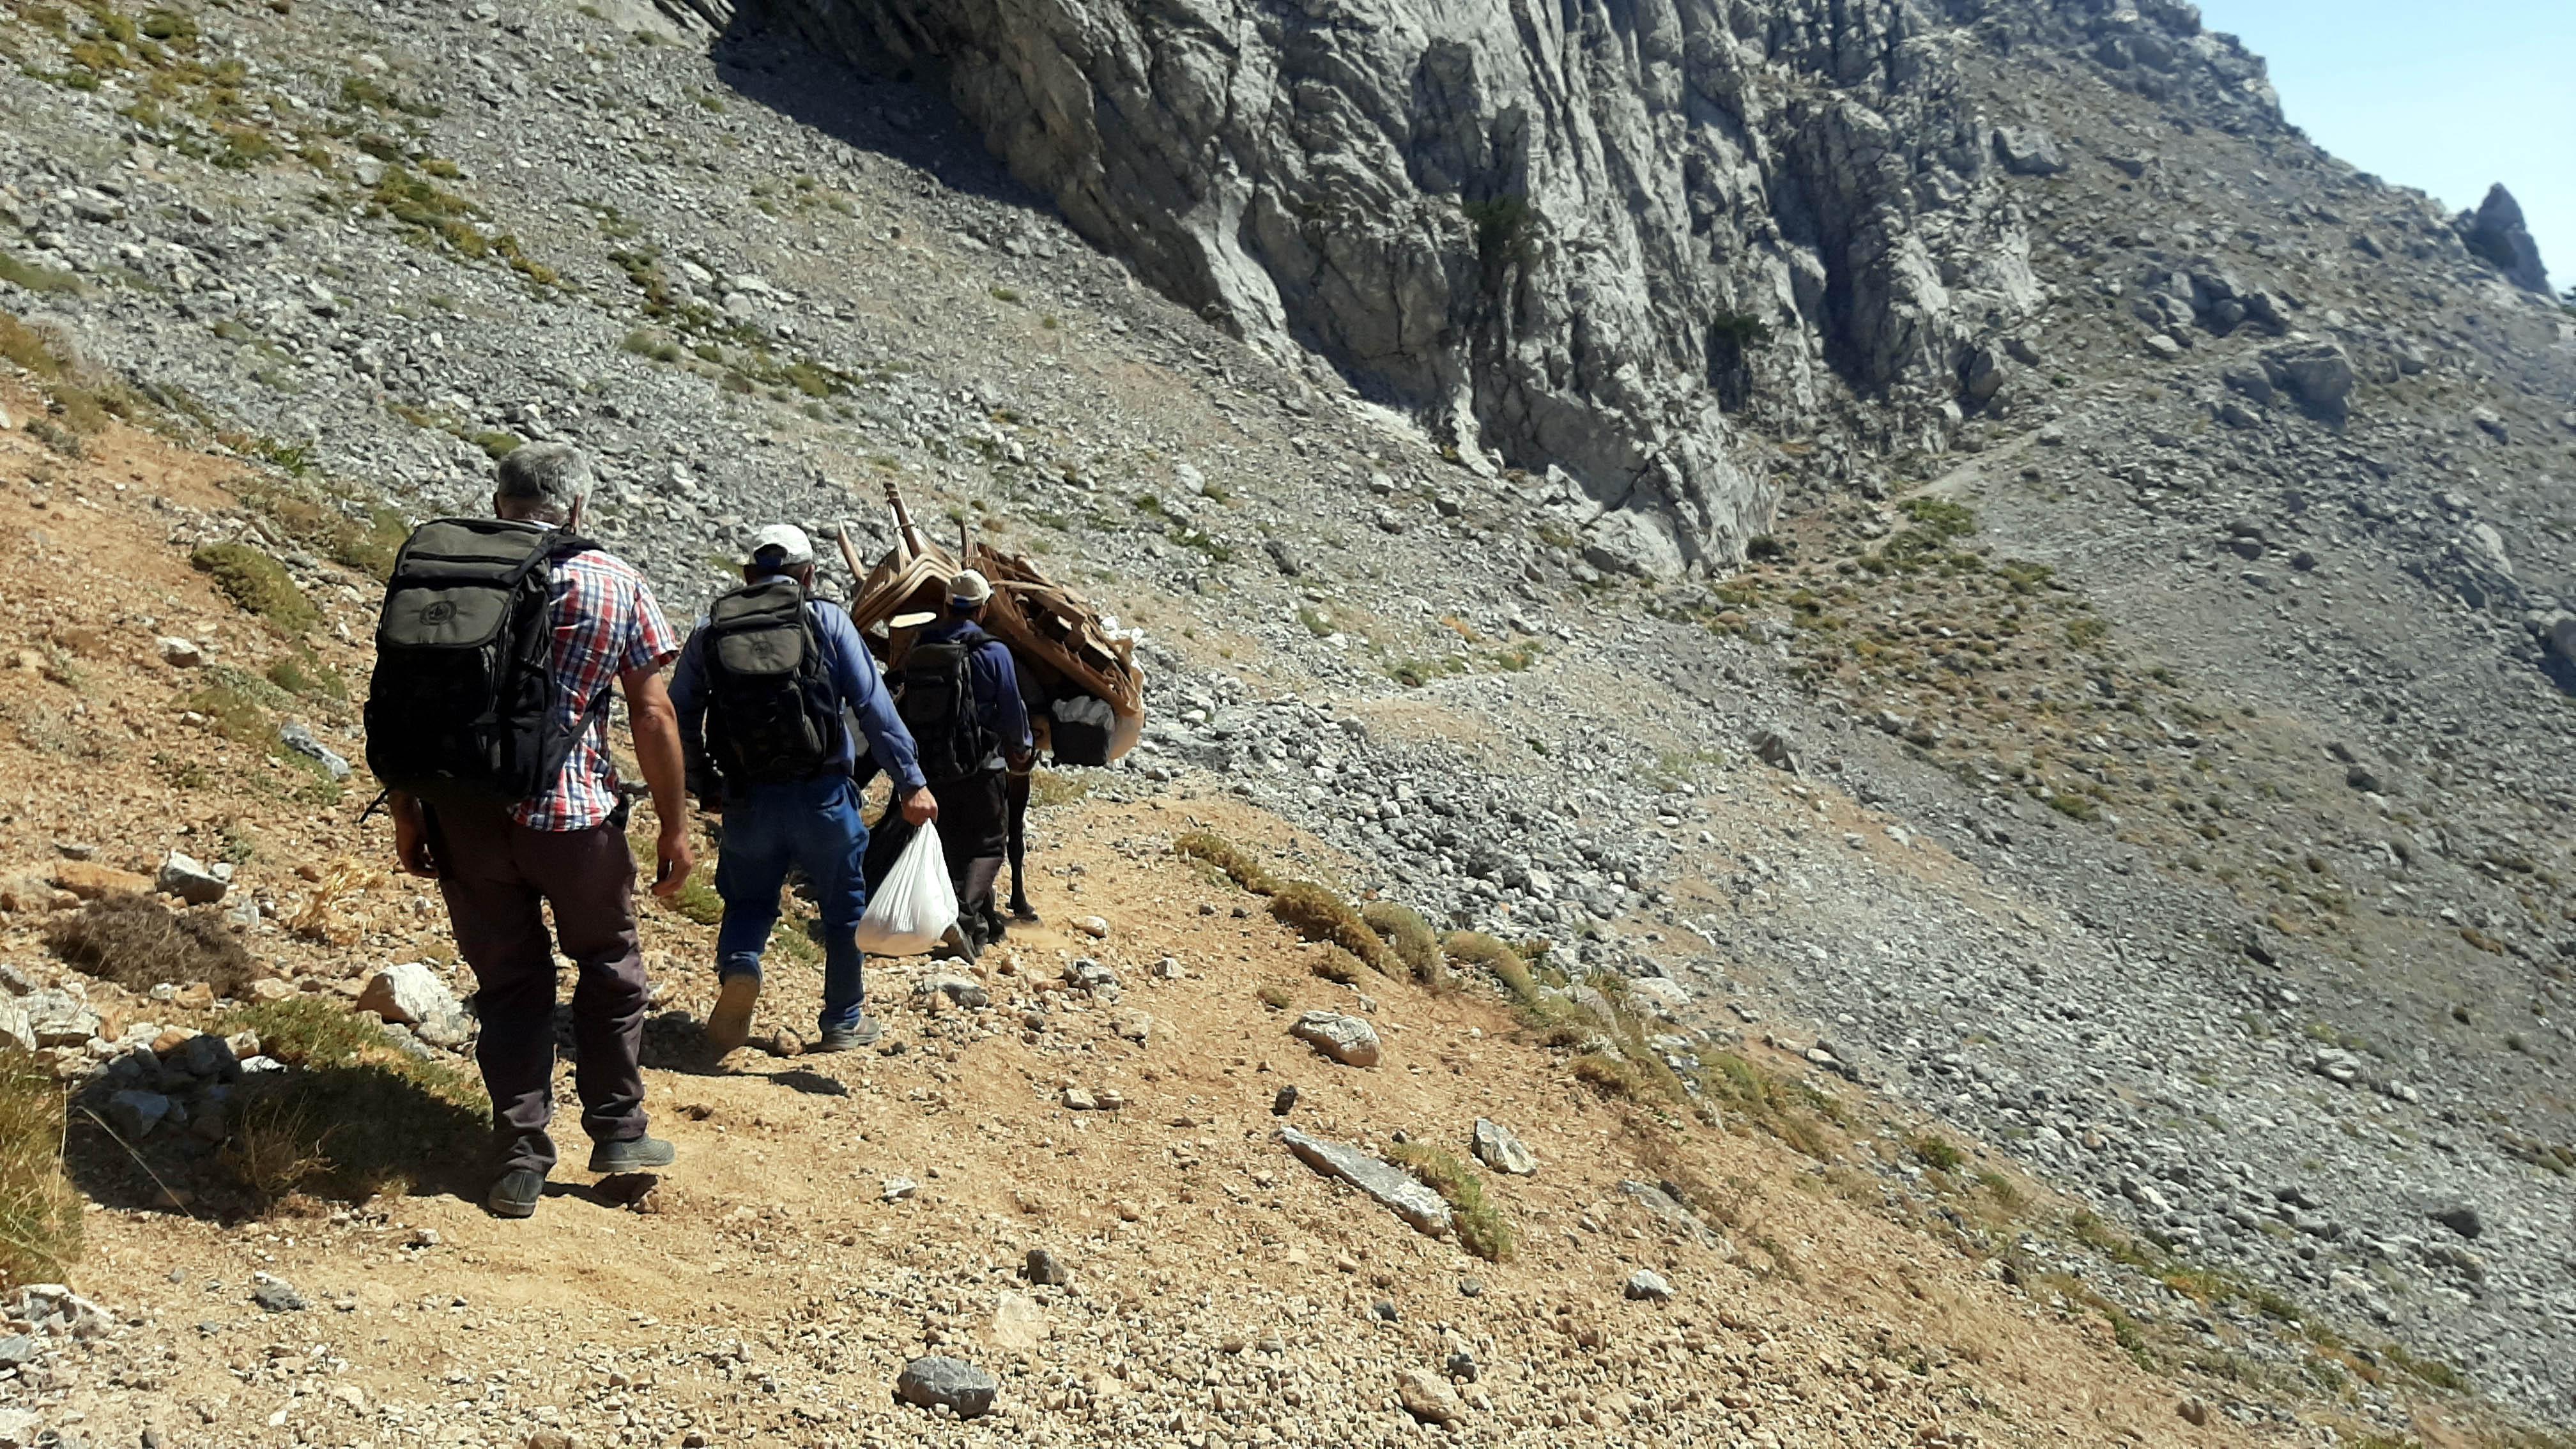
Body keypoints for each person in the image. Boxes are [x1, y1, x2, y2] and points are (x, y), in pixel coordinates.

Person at [383, 443, 692, 1220]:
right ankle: (618, 1133)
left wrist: (408, 812)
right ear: (580, 509)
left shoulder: (444, 573)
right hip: (574, 819)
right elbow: (652, 711)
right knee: (610, 966)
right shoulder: (614, 581)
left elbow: (402, 703)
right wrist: (674, 828)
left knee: (511, 985)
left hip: (466, 817)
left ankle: (519, 1155)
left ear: (498, 502)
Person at [669, 525, 938, 1056]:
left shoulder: (711, 628)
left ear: (749, 574)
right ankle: (843, 1019)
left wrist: (703, 783)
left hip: (747, 796)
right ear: (809, 574)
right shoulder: (829, 620)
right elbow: (875, 710)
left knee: (748, 899)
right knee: (843, 907)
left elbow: (678, 714)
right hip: (824, 797)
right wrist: (912, 782)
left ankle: (741, 966)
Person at [881, 569, 1031, 960]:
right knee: (989, 844)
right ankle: (963, 918)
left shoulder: (920, 646)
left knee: (947, 842)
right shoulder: (994, 652)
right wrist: (1021, 746)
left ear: (947, 605)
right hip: (982, 766)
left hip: (931, 767)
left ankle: (967, 916)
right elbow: (1012, 709)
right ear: (982, 610)